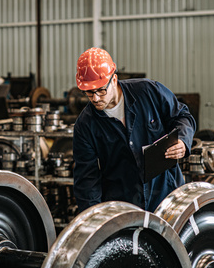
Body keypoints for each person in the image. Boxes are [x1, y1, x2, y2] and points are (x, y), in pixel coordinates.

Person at [72, 47, 196, 213]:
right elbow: (87, 181)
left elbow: (182, 116)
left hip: (167, 199)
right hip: (123, 208)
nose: (95, 98)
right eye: (88, 92)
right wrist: (94, 221)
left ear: (114, 79)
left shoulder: (149, 92)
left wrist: (182, 139)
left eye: (101, 90)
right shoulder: (85, 125)